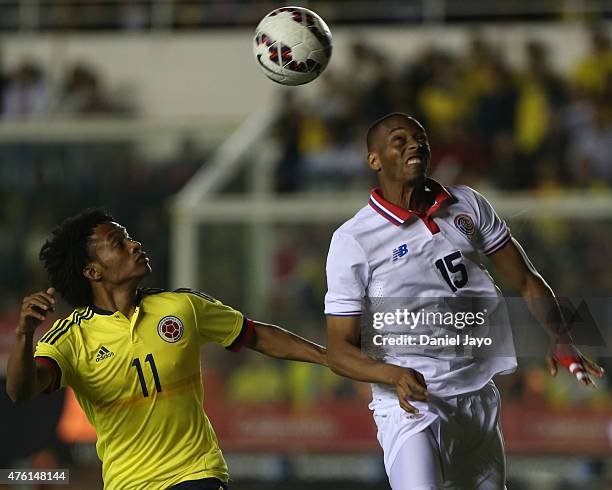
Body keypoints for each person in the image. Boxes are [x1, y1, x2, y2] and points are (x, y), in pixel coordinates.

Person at [324, 113, 605, 490]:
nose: (414, 144)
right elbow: (338, 349)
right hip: (410, 405)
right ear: (374, 160)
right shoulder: (353, 240)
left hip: (477, 396)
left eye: (420, 138)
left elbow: (525, 278)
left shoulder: (467, 204)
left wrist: (560, 335)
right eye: (399, 139)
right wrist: (392, 375)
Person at [6, 209, 327, 490]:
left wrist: (327, 356)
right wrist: (24, 335)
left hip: (196, 473)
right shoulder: (70, 338)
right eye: (119, 243)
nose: (135, 245)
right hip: (128, 482)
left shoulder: (182, 306)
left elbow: (255, 335)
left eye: (129, 238)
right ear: (93, 271)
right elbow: (22, 391)